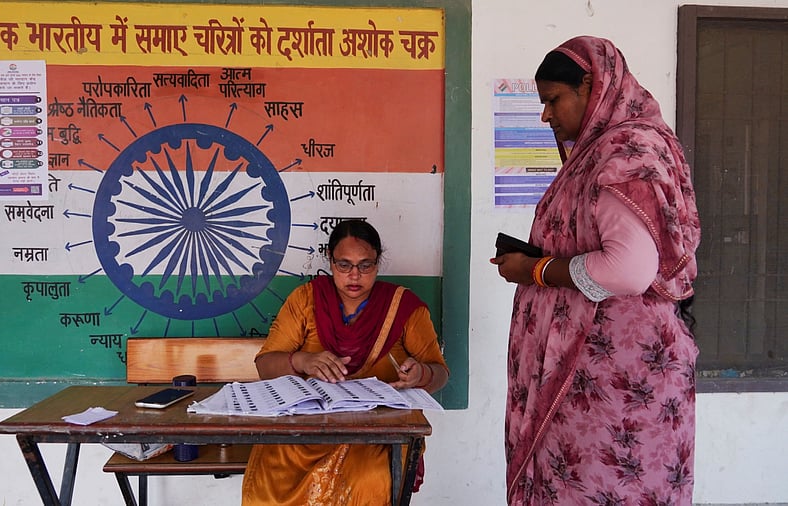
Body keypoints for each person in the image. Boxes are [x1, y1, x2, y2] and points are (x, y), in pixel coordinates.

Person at [491, 36, 701, 505]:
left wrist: (537, 269)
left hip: (611, 383)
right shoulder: (608, 149)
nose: (546, 116)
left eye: (552, 100)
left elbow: (629, 270)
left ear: (591, 84)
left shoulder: (627, 151)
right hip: (595, 376)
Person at [242, 219, 449, 506]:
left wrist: (421, 374)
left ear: (378, 263)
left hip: (377, 433)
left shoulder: (403, 307)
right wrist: (303, 360)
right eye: (344, 265)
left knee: (368, 479)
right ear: (330, 261)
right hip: (306, 427)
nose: (355, 276)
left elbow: (440, 373)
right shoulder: (306, 299)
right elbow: (266, 365)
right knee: (274, 469)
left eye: (365, 265)